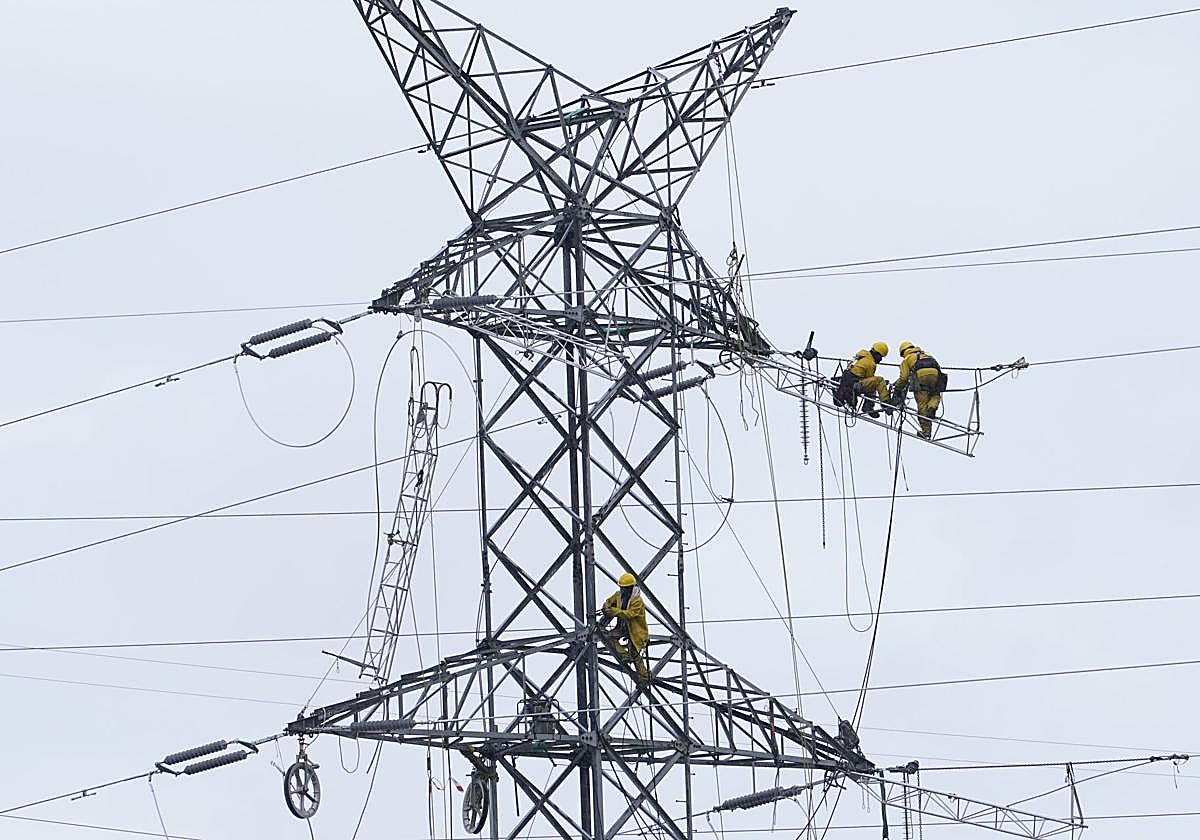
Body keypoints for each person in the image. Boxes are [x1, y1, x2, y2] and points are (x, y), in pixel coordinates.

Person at [892, 341, 947, 439]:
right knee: (935, 394)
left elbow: (904, 378)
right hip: (935, 374)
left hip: (921, 376)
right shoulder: (926, 355)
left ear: (903, 352)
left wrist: (897, 389)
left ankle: (926, 432)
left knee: (922, 404)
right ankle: (932, 407)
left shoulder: (907, 359)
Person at [602, 572, 649, 681]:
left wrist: (614, 611)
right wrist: (606, 607)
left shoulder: (637, 600)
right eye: (621, 588)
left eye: (625, 588)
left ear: (630, 588)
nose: (622, 590)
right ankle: (624, 655)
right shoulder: (619, 595)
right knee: (609, 637)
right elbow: (609, 601)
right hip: (622, 627)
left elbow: (630, 614)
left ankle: (644, 677)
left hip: (635, 631)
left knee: (635, 654)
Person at [834, 342, 891, 417]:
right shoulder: (870, 363)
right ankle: (885, 404)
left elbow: (868, 379)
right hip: (854, 385)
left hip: (850, 382)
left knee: (875, 383)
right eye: (881, 357)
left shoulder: (863, 357)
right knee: (878, 381)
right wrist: (882, 384)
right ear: (876, 354)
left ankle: (868, 406)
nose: (881, 359)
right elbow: (871, 380)